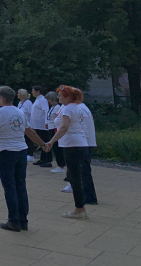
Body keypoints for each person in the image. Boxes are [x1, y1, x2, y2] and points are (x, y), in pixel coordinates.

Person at [0, 86, 47, 232]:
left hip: (5, 152)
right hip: (21, 151)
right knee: (21, 185)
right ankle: (23, 220)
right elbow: (30, 132)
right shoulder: (20, 112)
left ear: (1, 98)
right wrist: (43, 144)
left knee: (9, 187)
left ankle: (13, 221)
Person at [44, 86, 91, 219]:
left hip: (73, 145)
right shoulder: (74, 107)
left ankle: (79, 209)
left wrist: (51, 141)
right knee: (76, 177)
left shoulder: (69, 108)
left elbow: (64, 127)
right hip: (77, 144)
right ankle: (80, 207)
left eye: (60, 95)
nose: (58, 97)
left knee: (75, 178)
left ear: (68, 97)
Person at [79, 97, 98, 205]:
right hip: (85, 143)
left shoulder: (81, 109)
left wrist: (82, 143)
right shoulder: (81, 108)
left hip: (85, 144)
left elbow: (84, 128)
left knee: (84, 171)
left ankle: (90, 196)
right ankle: (87, 195)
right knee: (83, 171)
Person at [30, 86, 52, 167]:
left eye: (33, 91)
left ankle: (48, 160)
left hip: (42, 125)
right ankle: (42, 159)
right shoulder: (37, 99)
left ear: (38, 91)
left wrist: (46, 122)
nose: (32, 92)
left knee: (45, 142)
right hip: (37, 125)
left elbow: (46, 110)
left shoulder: (42, 100)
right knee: (41, 142)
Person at [45, 92, 66, 174]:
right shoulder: (52, 107)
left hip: (55, 129)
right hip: (51, 128)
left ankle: (61, 165)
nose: (48, 101)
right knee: (55, 147)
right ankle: (59, 164)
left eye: (48, 99)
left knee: (57, 148)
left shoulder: (57, 107)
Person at [17, 89, 35, 162]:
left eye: (19, 93)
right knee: (23, 139)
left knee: (28, 139)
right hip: (20, 124)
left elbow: (31, 113)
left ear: (23, 95)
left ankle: (30, 154)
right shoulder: (19, 103)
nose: (17, 95)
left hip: (27, 123)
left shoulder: (28, 103)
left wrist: (31, 124)